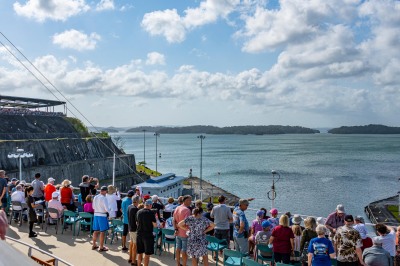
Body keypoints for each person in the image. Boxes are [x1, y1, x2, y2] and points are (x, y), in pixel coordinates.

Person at [136, 199, 157, 266]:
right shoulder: (151, 213)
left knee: (140, 253)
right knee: (147, 255)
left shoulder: (138, 212)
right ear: (150, 205)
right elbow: (155, 225)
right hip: (147, 235)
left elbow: (137, 223)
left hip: (139, 234)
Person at [174, 195, 192, 266]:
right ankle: (184, 264)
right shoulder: (187, 210)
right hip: (184, 233)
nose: (191, 202)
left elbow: (174, 220)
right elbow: (186, 222)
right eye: (190, 200)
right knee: (184, 250)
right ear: (186, 200)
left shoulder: (177, 208)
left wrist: (175, 228)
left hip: (178, 232)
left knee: (178, 249)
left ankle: (178, 264)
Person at [92, 186, 109, 252]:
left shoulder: (95, 197)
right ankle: (101, 247)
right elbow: (107, 209)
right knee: (102, 232)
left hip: (96, 214)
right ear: (105, 191)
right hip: (102, 215)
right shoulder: (104, 198)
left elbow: (93, 207)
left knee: (95, 231)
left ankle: (94, 244)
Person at [128, 196, 140, 266]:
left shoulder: (129, 207)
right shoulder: (135, 209)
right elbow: (137, 220)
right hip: (134, 229)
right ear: (137, 201)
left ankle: (130, 258)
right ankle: (133, 261)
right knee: (135, 245)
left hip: (130, 227)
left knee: (131, 243)